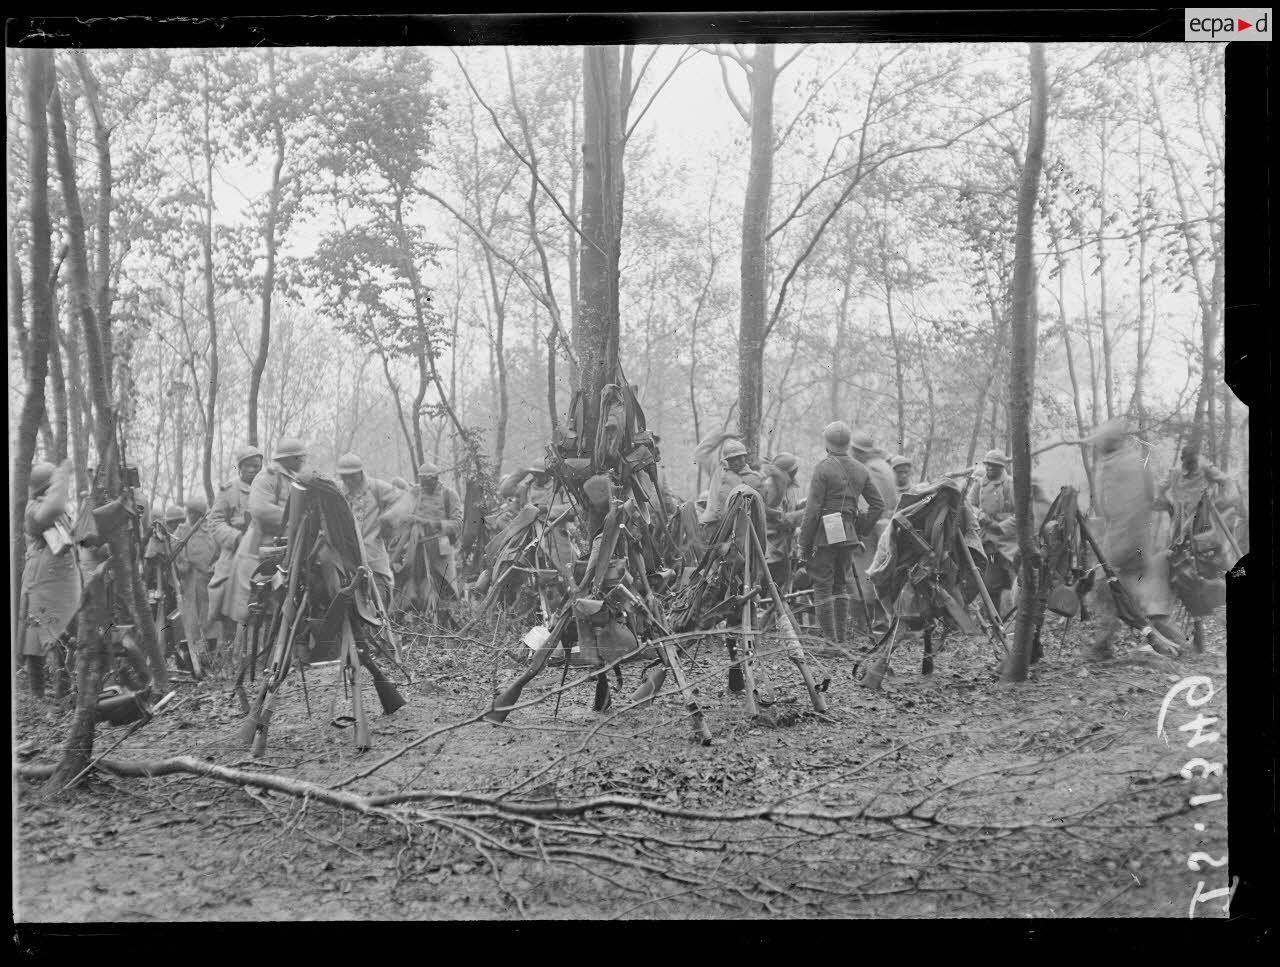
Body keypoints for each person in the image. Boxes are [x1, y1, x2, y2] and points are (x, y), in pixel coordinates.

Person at [1085, 419, 1185, 660]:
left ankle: (1103, 645)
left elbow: (1104, 507)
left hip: (1120, 540)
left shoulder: (1107, 467)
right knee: (1132, 595)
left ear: (1105, 443)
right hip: (1139, 540)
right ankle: (1174, 639)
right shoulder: (1136, 460)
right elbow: (1151, 496)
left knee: (1106, 589)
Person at [797, 422, 885, 646]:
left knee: (822, 586)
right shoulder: (860, 469)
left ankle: (830, 642)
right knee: (840, 584)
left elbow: (813, 511)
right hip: (847, 535)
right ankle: (841, 642)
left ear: (827, 444)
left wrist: (803, 545)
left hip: (824, 535)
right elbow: (878, 505)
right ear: (847, 444)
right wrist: (860, 530)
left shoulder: (823, 468)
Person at [227, 437, 307, 626]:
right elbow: (261, 510)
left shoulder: (293, 479)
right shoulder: (267, 477)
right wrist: (297, 520)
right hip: (258, 551)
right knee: (252, 609)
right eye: (299, 459)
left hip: (281, 551)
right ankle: (244, 653)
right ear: (290, 459)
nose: (302, 463)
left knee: (276, 607)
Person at [18, 461, 81, 699]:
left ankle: (64, 691)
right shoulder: (34, 509)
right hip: (41, 582)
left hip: (61, 582)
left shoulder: (59, 510)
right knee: (36, 641)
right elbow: (52, 509)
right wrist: (62, 475)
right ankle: (37, 696)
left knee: (64, 636)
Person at [393, 461, 465, 622]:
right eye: (422, 481)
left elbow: (458, 523)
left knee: (445, 586)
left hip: (440, 548)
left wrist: (434, 524)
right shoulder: (415, 493)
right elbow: (401, 515)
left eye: (428, 481)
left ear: (436, 478)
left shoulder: (449, 495)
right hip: (417, 546)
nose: (424, 485)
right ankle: (416, 621)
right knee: (414, 583)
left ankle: (445, 625)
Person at [208, 445, 263, 643]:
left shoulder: (266, 489)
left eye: (257, 466)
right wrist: (236, 539)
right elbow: (214, 522)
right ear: (239, 467)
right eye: (248, 466)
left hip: (262, 550)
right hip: (234, 551)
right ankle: (227, 651)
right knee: (224, 595)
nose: (253, 470)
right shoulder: (229, 490)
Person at [336, 452, 400, 606]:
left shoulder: (377, 487)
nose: (349, 480)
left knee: (380, 595)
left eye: (352, 476)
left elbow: (403, 500)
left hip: (373, 555)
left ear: (360, 472)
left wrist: (387, 522)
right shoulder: (337, 489)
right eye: (345, 476)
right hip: (346, 557)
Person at [498, 457, 577, 582]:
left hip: (555, 533)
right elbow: (505, 489)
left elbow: (573, 508)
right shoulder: (525, 489)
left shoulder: (559, 487)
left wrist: (546, 509)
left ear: (548, 475)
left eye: (540, 475)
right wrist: (522, 471)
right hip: (529, 535)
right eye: (534, 474)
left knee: (568, 567)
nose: (537, 478)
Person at [850, 432, 896, 635]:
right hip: (884, 525)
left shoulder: (869, 469)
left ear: (859, 451)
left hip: (871, 526)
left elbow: (867, 502)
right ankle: (879, 621)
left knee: (863, 574)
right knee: (879, 572)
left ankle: (865, 624)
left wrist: (858, 528)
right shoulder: (883, 465)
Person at [969, 449, 1018, 613]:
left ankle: (1013, 618)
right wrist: (980, 515)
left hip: (1009, 541)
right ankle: (994, 619)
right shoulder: (980, 484)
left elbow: (1021, 515)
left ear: (1002, 467)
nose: (989, 468)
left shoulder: (1010, 485)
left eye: (994, 466)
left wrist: (1000, 527)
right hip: (987, 540)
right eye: (987, 465)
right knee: (990, 584)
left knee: (1015, 582)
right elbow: (970, 505)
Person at [173, 493, 219, 660]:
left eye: (194, 512)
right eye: (189, 512)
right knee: (190, 618)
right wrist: (182, 564)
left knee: (209, 616)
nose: (190, 515)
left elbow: (218, 553)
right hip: (190, 581)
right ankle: (192, 655)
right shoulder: (182, 530)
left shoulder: (211, 530)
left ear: (200, 514)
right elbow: (175, 553)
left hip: (208, 581)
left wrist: (214, 566)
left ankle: (211, 653)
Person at [694, 434, 766, 539]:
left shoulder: (754, 478)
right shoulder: (718, 470)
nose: (738, 461)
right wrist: (723, 436)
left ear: (745, 457)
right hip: (713, 526)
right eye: (733, 458)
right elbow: (700, 453)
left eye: (740, 457)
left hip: (740, 531)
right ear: (727, 460)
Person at [1155, 445, 1237, 533]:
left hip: (1202, 519)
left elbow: (1227, 481)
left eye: (1194, 462)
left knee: (1203, 541)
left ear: (1197, 458)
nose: (1192, 466)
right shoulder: (1174, 473)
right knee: (1178, 543)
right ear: (1182, 459)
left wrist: (1222, 498)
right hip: (1180, 521)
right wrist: (1169, 506)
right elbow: (1159, 489)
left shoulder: (1206, 469)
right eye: (1189, 463)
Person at [761, 453, 805, 592]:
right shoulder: (771, 486)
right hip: (771, 548)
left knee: (782, 587)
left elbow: (789, 508)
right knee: (769, 587)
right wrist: (805, 513)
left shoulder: (789, 486)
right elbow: (780, 518)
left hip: (784, 546)